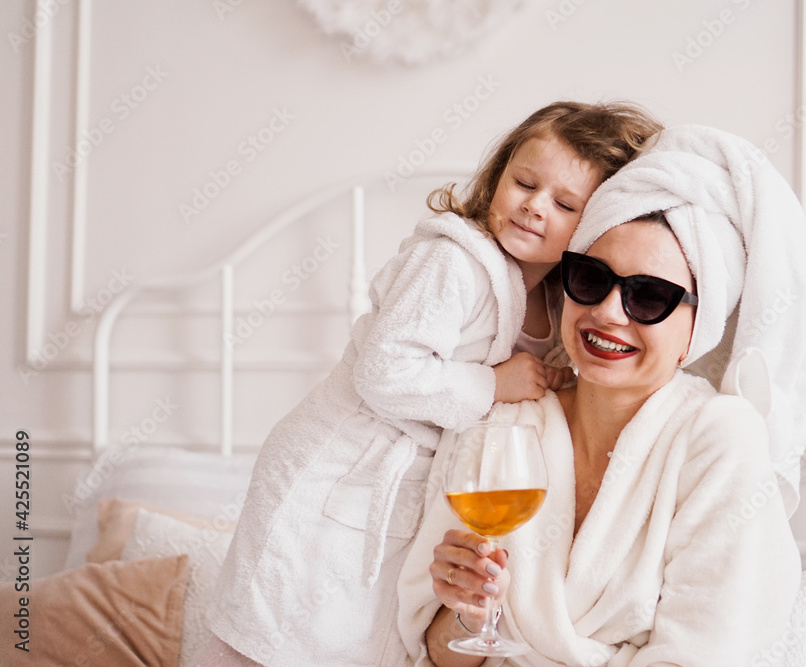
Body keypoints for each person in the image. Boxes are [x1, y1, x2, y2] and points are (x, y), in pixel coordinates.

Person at [201, 101, 663, 667]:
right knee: (274, 627)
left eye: (565, 204)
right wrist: (492, 384)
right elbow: (384, 371)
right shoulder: (451, 262)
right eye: (523, 183)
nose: (535, 206)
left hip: (405, 492)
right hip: (336, 468)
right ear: (498, 176)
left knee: (355, 635)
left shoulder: (555, 302)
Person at [398, 125, 806, 666]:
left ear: (698, 328)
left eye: (649, 297)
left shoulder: (719, 437)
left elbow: (704, 653)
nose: (608, 312)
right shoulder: (505, 421)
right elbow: (440, 654)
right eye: (590, 279)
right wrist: (469, 609)